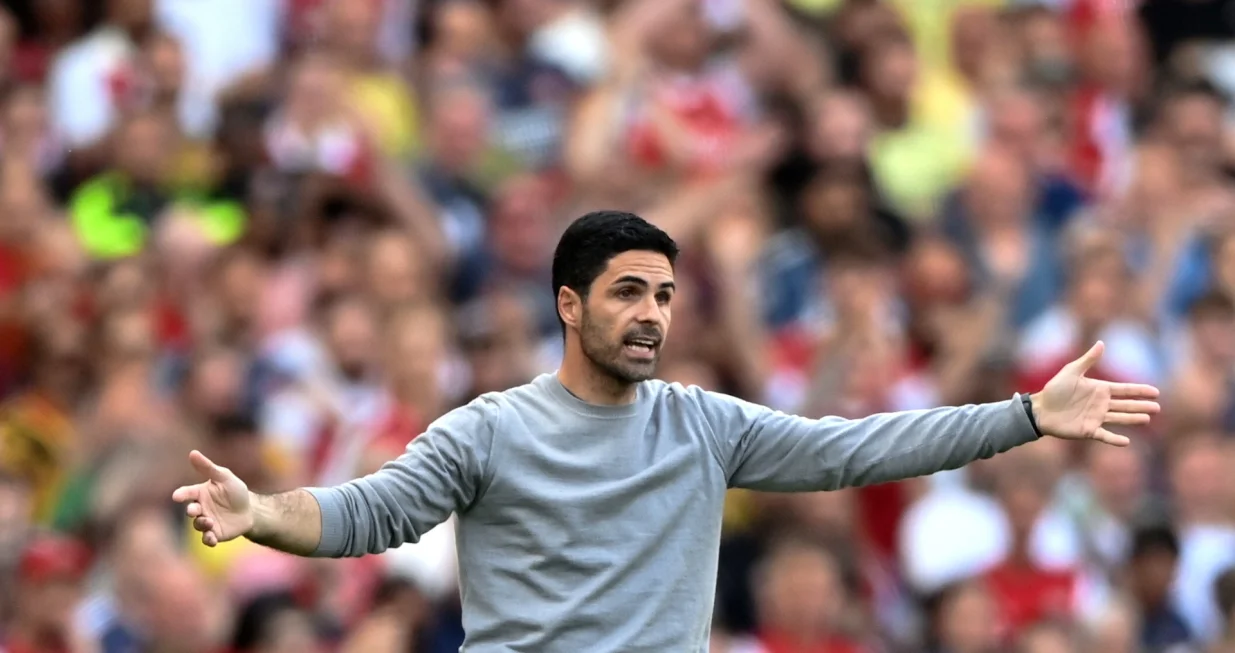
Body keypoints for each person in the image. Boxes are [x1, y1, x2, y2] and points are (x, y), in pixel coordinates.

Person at [172, 211, 1161, 652]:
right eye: (628, 291)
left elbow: (856, 445)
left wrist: (1027, 414)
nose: (651, 312)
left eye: (666, 295)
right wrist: (257, 509)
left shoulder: (703, 423)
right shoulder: (489, 428)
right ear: (569, 303)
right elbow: (365, 511)